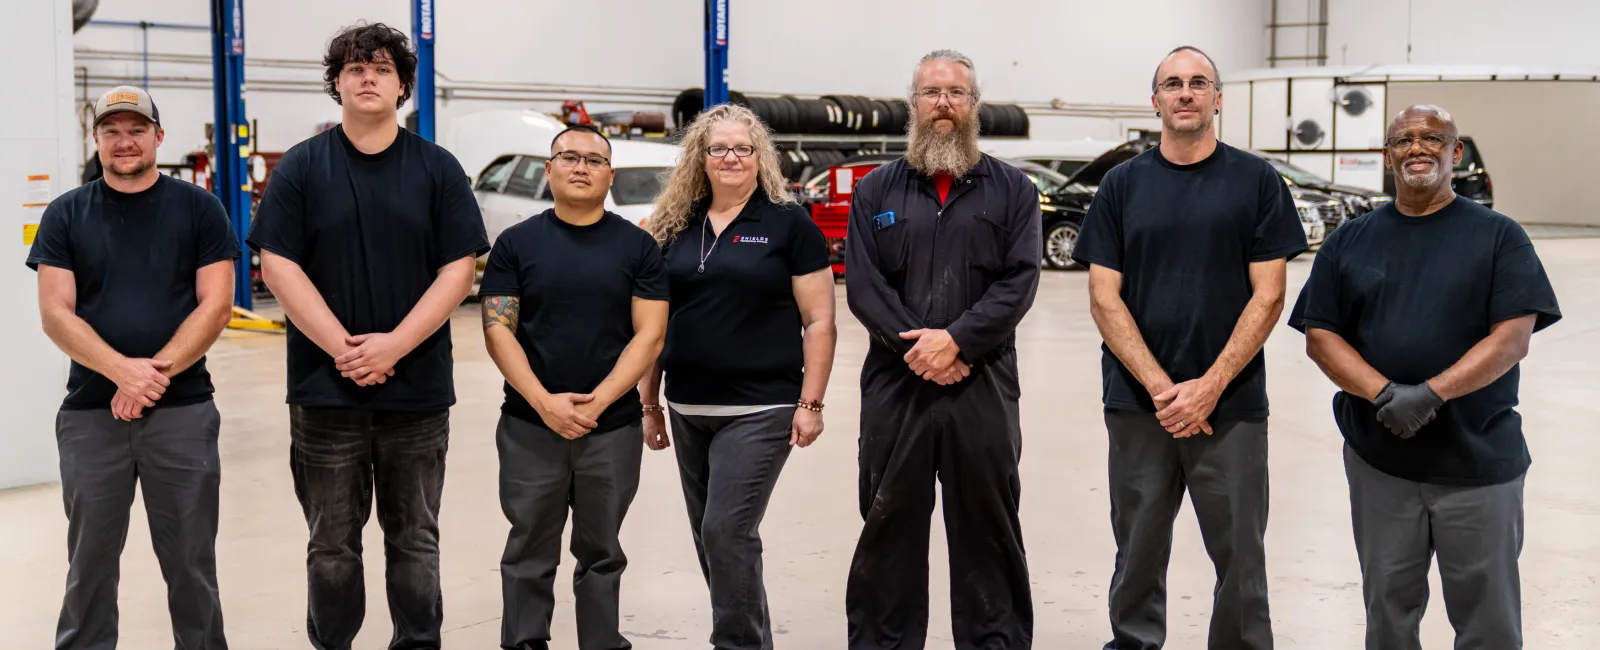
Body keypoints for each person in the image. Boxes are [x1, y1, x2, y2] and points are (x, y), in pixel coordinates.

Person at [246, 24, 489, 650]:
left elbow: (459, 270)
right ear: (337, 83)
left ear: (403, 85)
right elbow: (278, 263)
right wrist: (345, 350)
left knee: (415, 539)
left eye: (382, 69)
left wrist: (394, 346)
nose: (368, 78)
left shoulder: (438, 169)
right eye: (355, 68)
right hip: (325, 393)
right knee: (331, 544)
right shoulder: (302, 166)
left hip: (417, 393)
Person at [1289, 105, 1560, 650]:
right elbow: (1321, 335)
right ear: (1388, 156)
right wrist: (1385, 394)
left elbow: (1513, 338)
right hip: (1381, 460)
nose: (1417, 148)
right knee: (1388, 613)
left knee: (1489, 621)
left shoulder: (1499, 237)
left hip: (1478, 461)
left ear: (1455, 152)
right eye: (1404, 140)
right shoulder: (1350, 241)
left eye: (1433, 138)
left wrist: (1432, 394)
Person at [1071, 46, 1307, 650]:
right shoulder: (1121, 185)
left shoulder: (1257, 181)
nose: (1185, 92)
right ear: (1154, 101)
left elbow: (1270, 296)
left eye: (1199, 83)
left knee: (1241, 557)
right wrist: (1162, 389)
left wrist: (1209, 387)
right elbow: (1103, 298)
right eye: (1172, 84)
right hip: (1138, 405)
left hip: (1230, 408)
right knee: (1138, 550)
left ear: (1217, 99)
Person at [843, 50, 1042, 650]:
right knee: (889, 528)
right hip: (895, 385)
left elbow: (1019, 280)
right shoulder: (875, 189)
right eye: (932, 93)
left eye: (957, 93)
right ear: (914, 104)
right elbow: (864, 285)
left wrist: (957, 342)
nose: (944, 104)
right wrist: (922, 350)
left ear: (974, 105)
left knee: (989, 528)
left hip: (981, 384)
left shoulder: (1013, 190)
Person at [29, 86, 238, 649]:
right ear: (96, 139)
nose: (124, 142)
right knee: (90, 564)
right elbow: (54, 313)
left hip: (183, 412)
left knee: (192, 562)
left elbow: (216, 305)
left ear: (158, 137)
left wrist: (148, 378)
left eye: (137, 130)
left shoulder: (200, 208)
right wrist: (123, 372)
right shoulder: (66, 213)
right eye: (112, 131)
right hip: (92, 416)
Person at [640, 103, 838, 650]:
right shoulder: (674, 225)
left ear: (760, 157)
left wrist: (811, 403)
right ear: (700, 158)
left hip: (761, 406)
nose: (731, 157)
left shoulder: (788, 223)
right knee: (713, 539)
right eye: (719, 148)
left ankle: (737, 644)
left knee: (725, 529)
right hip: (688, 406)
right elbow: (653, 326)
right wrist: (650, 404)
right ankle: (748, 638)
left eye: (743, 148)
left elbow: (820, 321)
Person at [479, 124, 670, 650]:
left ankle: (601, 643)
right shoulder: (516, 244)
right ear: (549, 170)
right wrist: (544, 403)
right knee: (528, 546)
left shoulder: (638, 247)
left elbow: (650, 335)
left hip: (611, 428)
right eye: (569, 157)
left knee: (602, 549)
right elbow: (498, 330)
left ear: (610, 174)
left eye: (594, 160)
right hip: (529, 425)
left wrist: (600, 401)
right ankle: (524, 642)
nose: (581, 167)